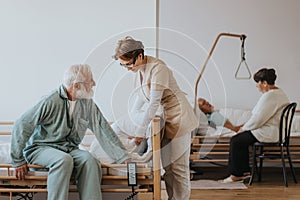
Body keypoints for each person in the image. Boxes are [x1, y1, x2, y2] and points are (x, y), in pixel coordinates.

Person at [10, 64, 130, 200]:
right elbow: (22, 124)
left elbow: (102, 128)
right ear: (76, 85)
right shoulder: (51, 100)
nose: (94, 84)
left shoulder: (87, 104)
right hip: (41, 148)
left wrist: (123, 157)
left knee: (90, 160)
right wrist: (18, 160)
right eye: (90, 81)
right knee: (63, 160)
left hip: (68, 149)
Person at [113, 36, 198, 200]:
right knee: (168, 167)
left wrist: (140, 132)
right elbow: (138, 100)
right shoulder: (139, 71)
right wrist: (132, 123)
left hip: (179, 118)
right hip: (164, 120)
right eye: (123, 65)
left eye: (129, 64)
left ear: (140, 55)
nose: (128, 68)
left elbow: (153, 103)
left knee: (179, 168)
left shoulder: (158, 69)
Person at [219, 68, 289, 183]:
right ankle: (245, 172)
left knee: (236, 140)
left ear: (265, 83)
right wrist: (244, 126)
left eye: (258, 84)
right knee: (240, 140)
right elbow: (258, 117)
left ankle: (236, 175)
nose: (257, 87)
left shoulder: (270, 96)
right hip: (274, 131)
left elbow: (258, 119)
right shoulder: (279, 93)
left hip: (269, 132)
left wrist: (243, 129)